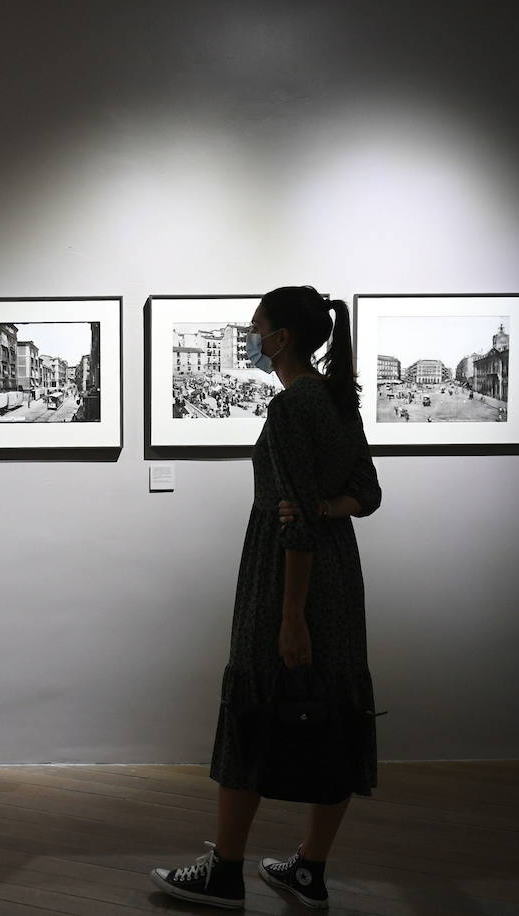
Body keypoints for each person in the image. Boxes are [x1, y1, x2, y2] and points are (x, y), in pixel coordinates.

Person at [151, 286, 382, 911]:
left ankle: (225, 872)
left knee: (253, 708)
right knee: (335, 709)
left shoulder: (289, 411)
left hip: (286, 577)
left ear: (281, 339)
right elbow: (369, 492)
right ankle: (309, 870)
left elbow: (296, 527)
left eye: (256, 328)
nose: (250, 337)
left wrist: (290, 618)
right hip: (341, 575)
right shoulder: (339, 399)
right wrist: (326, 507)